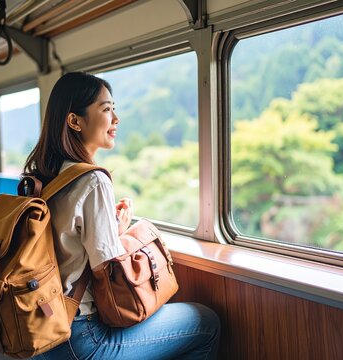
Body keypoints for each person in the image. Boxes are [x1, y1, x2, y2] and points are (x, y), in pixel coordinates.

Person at [24, 72, 220, 360]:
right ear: (75, 121)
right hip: (82, 337)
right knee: (204, 322)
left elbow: (67, 248)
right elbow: (109, 266)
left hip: (44, 328)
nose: (116, 119)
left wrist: (111, 227)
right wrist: (119, 233)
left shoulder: (40, 179)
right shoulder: (92, 181)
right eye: (106, 109)